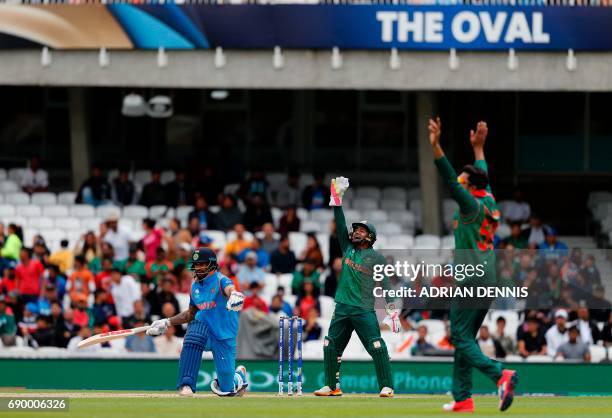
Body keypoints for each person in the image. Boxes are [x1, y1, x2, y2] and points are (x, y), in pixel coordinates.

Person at [429, 118, 516, 413]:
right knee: (465, 337)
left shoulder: (469, 204)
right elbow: (484, 174)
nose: (461, 181)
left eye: (465, 179)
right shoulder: (487, 197)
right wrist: (479, 148)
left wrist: (436, 146)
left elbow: (450, 178)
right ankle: (463, 398)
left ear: (470, 186)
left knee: (459, 337)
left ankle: (499, 374)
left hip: (470, 279)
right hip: (488, 277)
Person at [314, 176, 399, 398]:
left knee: (376, 347)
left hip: (363, 308)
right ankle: (331, 386)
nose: (355, 232)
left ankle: (386, 386)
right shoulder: (347, 248)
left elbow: (387, 284)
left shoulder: (378, 258)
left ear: (370, 237)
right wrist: (337, 200)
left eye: (361, 230)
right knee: (330, 345)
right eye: (356, 229)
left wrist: (391, 310)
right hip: (342, 306)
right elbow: (340, 223)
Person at [146, 248, 248, 396]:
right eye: (196, 264)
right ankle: (186, 384)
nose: (198, 268)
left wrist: (234, 294)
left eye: (202, 264)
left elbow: (230, 288)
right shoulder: (194, 286)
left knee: (227, 389)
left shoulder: (221, 280)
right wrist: (167, 322)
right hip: (204, 329)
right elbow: (191, 314)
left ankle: (238, 377)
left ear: (212, 265)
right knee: (193, 336)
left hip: (224, 335)